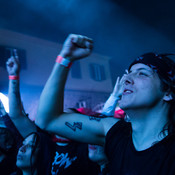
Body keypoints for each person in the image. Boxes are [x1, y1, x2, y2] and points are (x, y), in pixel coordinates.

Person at [35, 34, 175, 175]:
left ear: (168, 92)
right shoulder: (115, 132)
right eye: (128, 73)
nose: (126, 78)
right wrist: (65, 59)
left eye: (142, 74)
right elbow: (48, 120)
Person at [6, 54, 100, 175]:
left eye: (68, 117)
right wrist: (13, 76)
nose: (62, 119)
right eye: (60, 115)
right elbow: (16, 114)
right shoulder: (45, 141)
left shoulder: (84, 146)